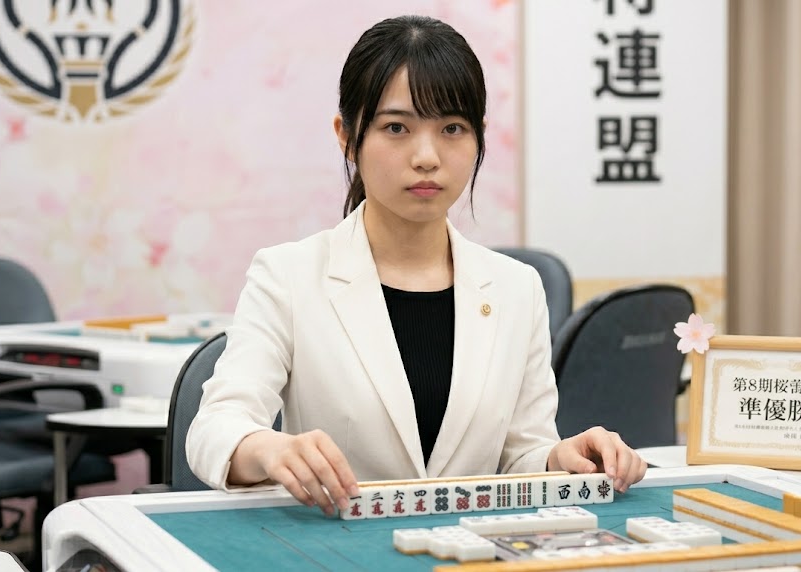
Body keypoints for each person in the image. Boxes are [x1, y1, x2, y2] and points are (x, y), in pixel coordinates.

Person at [187, 14, 647, 517]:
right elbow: (215, 428)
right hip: (338, 544)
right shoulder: (288, 275)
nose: (427, 156)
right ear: (347, 136)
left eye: (452, 129)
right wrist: (268, 449)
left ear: (479, 137)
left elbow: (521, 456)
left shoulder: (518, 288)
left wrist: (562, 458)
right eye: (396, 128)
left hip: (471, 547)